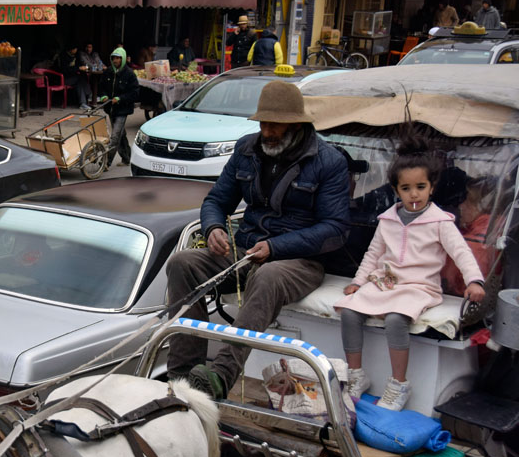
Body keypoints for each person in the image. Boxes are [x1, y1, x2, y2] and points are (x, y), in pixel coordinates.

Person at [166, 80, 350, 399]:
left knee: (266, 276)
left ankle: (220, 375)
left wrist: (277, 247)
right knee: (182, 263)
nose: (267, 131)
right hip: (245, 249)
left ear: (296, 125)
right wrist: (213, 229)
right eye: (263, 123)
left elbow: (335, 229)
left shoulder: (329, 162)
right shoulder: (246, 148)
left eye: (274, 124)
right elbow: (216, 201)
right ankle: (182, 372)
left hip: (298, 259)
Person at [335, 137, 485, 411]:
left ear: (431, 187)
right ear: (396, 190)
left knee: (395, 320)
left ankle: (399, 384)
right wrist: (358, 282)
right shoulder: (387, 219)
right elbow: (373, 253)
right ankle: (356, 374)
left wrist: (475, 280)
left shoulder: (441, 222)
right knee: (349, 312)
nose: (413, 194)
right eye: (406, 188)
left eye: (420, 187)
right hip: (385, 283)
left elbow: (462, 253)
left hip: (419, 287)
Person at [441, 176, 497, 295]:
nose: (461, 206)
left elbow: (454, 283)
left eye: (467, 201)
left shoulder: (481, 239)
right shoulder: (477, 228)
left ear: (482, 206)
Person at [97, 47, 139, 167]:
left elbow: (135, 93)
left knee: (115, 136)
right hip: (111, 109)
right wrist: (104, 96)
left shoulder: (129, 74)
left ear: (123, 59)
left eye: (118, 58)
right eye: (113, 58)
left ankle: (106, 162)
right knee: (120, 134)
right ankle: (127, 158)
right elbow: (102, 88)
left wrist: (121, 98)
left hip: (122, 109)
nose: (115, 60)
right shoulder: (108, 72)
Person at [55, 44, 91, 110]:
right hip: (63, 79)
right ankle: (89, 95)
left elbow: (78, 65)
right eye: (75, 49)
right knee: (79, 78)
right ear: (70, 49)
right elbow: (65, 70)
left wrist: (82, 68)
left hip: (74, 79)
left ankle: (83, 103)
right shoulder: (63, 57)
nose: (76, 50)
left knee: (80, 81)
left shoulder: (76, 56)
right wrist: (78, 68)